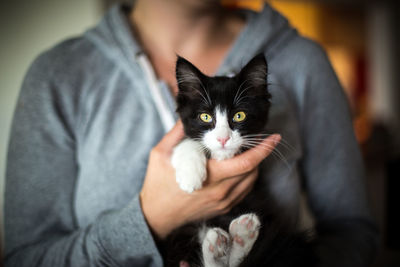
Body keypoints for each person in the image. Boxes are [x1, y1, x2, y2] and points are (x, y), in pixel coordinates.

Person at [4, 0, 378, 266]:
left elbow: (353, 235)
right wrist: (150, 218)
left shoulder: (302, 62)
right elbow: (24, 258)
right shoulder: (58, 74)